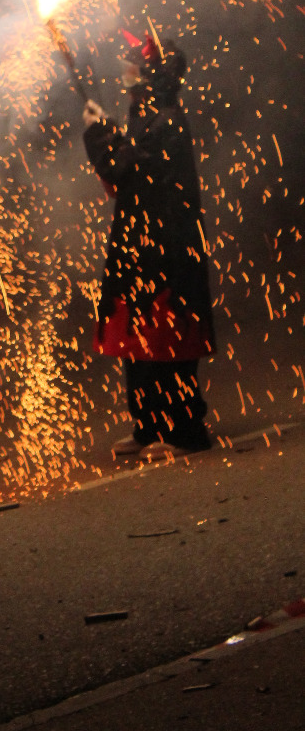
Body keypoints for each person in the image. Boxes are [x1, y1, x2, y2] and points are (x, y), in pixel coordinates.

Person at [82, 31, 214, 458]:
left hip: (166, 249)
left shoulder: (166, 120)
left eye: (132, 63)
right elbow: (123, 177)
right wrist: (104, 133)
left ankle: (182, 431)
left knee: (166, 337)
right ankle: (149, 425)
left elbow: (129, 171)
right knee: (137, 338)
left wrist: (101, 136)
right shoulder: (146, 117)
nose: (125, 69)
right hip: (141, 245)